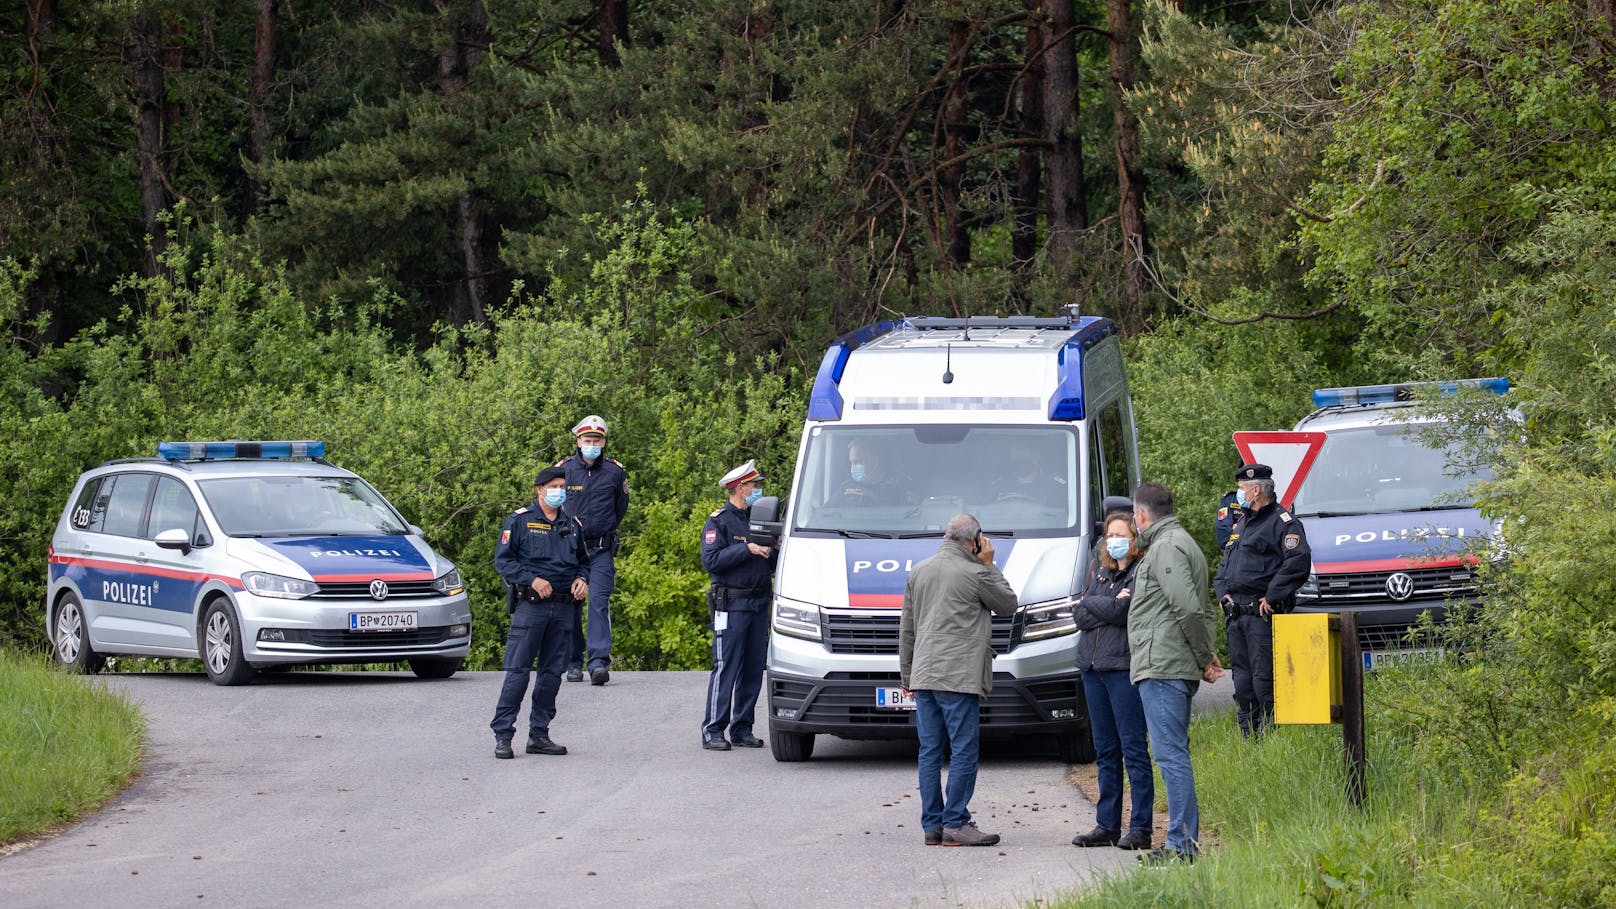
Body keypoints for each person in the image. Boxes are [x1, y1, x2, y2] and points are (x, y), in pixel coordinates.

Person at [898, 513, 1019, 847]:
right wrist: (990, 564)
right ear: (975, 541)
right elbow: (1008, 604)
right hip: (958, 677)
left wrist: (907, 674)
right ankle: (956, 822)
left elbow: (907, 628)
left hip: (924, 675)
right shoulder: (976, 573)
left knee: (930, 751)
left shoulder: (919, 571)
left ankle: (932, 826)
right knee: (964, 749)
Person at [1128, 482, 1223, 864]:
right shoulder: (1183, 543)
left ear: (1141, 515)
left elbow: (1186, 607)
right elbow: (1203, 607)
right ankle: (1180, 844)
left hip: (1163, 664)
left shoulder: (1166, 547)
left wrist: (1204, 656)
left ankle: (1181, 847)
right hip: (1168, 662)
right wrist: (1206, 652)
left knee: (1170, 756)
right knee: (1172, 753)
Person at [490, 466, 590, 759]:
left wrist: (582, 579)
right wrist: (531, 579)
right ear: (540, 489)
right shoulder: (520, 521)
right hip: (531, 607)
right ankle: (503, 734)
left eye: (562, 485)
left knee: (551, 675)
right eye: (554, 486)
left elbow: (584, 562)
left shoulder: (572, 524)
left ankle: (539, 734)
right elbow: (503, 562)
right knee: (518, 672)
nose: (559, 490)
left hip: (563, 608)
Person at [1070, 512, 1153, 851]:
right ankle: (1107, 825)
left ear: (1134, 539)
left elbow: (1124, 613)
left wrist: (1093, 605)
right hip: (1092, 668)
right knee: (1105, 750)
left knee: (1133, 748)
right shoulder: (1100, 573)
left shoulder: (1140, 572)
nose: (1114, 540)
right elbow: (1079, 614)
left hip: (1123, 669)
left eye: (1121, 534)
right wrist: (1099, 604)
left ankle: (1141, 827)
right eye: (1109, 535)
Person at [1214, 463, 1312, 739]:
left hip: (1262, 614)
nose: (1239, 494)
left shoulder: (1283, 523)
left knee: (1263, 680)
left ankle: (1271, 739)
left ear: (1256, 490)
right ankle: (1249, 739)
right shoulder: (1243, 522)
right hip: (1236, 615)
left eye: (1242, 489)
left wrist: (1273, 594)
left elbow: (1298, 561)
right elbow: (1225, 566)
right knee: (1242, 682)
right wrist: (1223, 594)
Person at [700, 459, 776, 751]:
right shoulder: (719, 521)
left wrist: (775, 550)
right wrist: (746, 548)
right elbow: (712, 561)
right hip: (731, 606)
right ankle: (713, 729)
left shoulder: (759, 520)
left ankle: (742, 727)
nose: (759, 490)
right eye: (755, 486)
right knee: (726, 667)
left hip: (758, 605)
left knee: (753, 668)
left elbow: (768, 564)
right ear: (740, 488)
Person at [557, 414, 629, 686]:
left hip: (600, 550)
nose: (592, 444)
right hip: (570, 551)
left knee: (598, 603)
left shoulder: (614, 472)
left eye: (597, 440)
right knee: (571, 605)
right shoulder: (564, 470)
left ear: (603, 442)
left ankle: (598, 663)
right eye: (587, 439)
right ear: (578, 441)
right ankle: (574, 661)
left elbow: (620, 509)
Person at [836, 439, 908, 507]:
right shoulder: (846, 489)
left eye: (858, 461)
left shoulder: (897, 489)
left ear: (875, 460)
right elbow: (826, 514)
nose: (853, 467)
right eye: (851, 462)